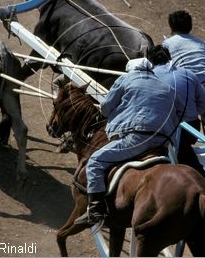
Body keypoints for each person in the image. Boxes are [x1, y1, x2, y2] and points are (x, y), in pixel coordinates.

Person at [74, 58, 182, 226]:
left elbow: (106, 107)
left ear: (131, 69)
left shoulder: (125, 79)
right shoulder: (168, 87)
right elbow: (179, 112)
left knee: (95, 161)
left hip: (137, 138)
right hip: (163, 142)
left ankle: (95, 209)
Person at [162, 10, 205, 145]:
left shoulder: (167, 44)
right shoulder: (202, 44)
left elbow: (164, 71)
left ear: (171, 27)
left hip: (185, 90)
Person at [147, 44, 205, 175]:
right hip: (192, 128)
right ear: (169, 57)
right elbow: (204, 104)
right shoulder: (189, 74)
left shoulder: (149, 77)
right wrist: (190, 114)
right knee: (185, 151)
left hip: (166, 130)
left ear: (150, 61)